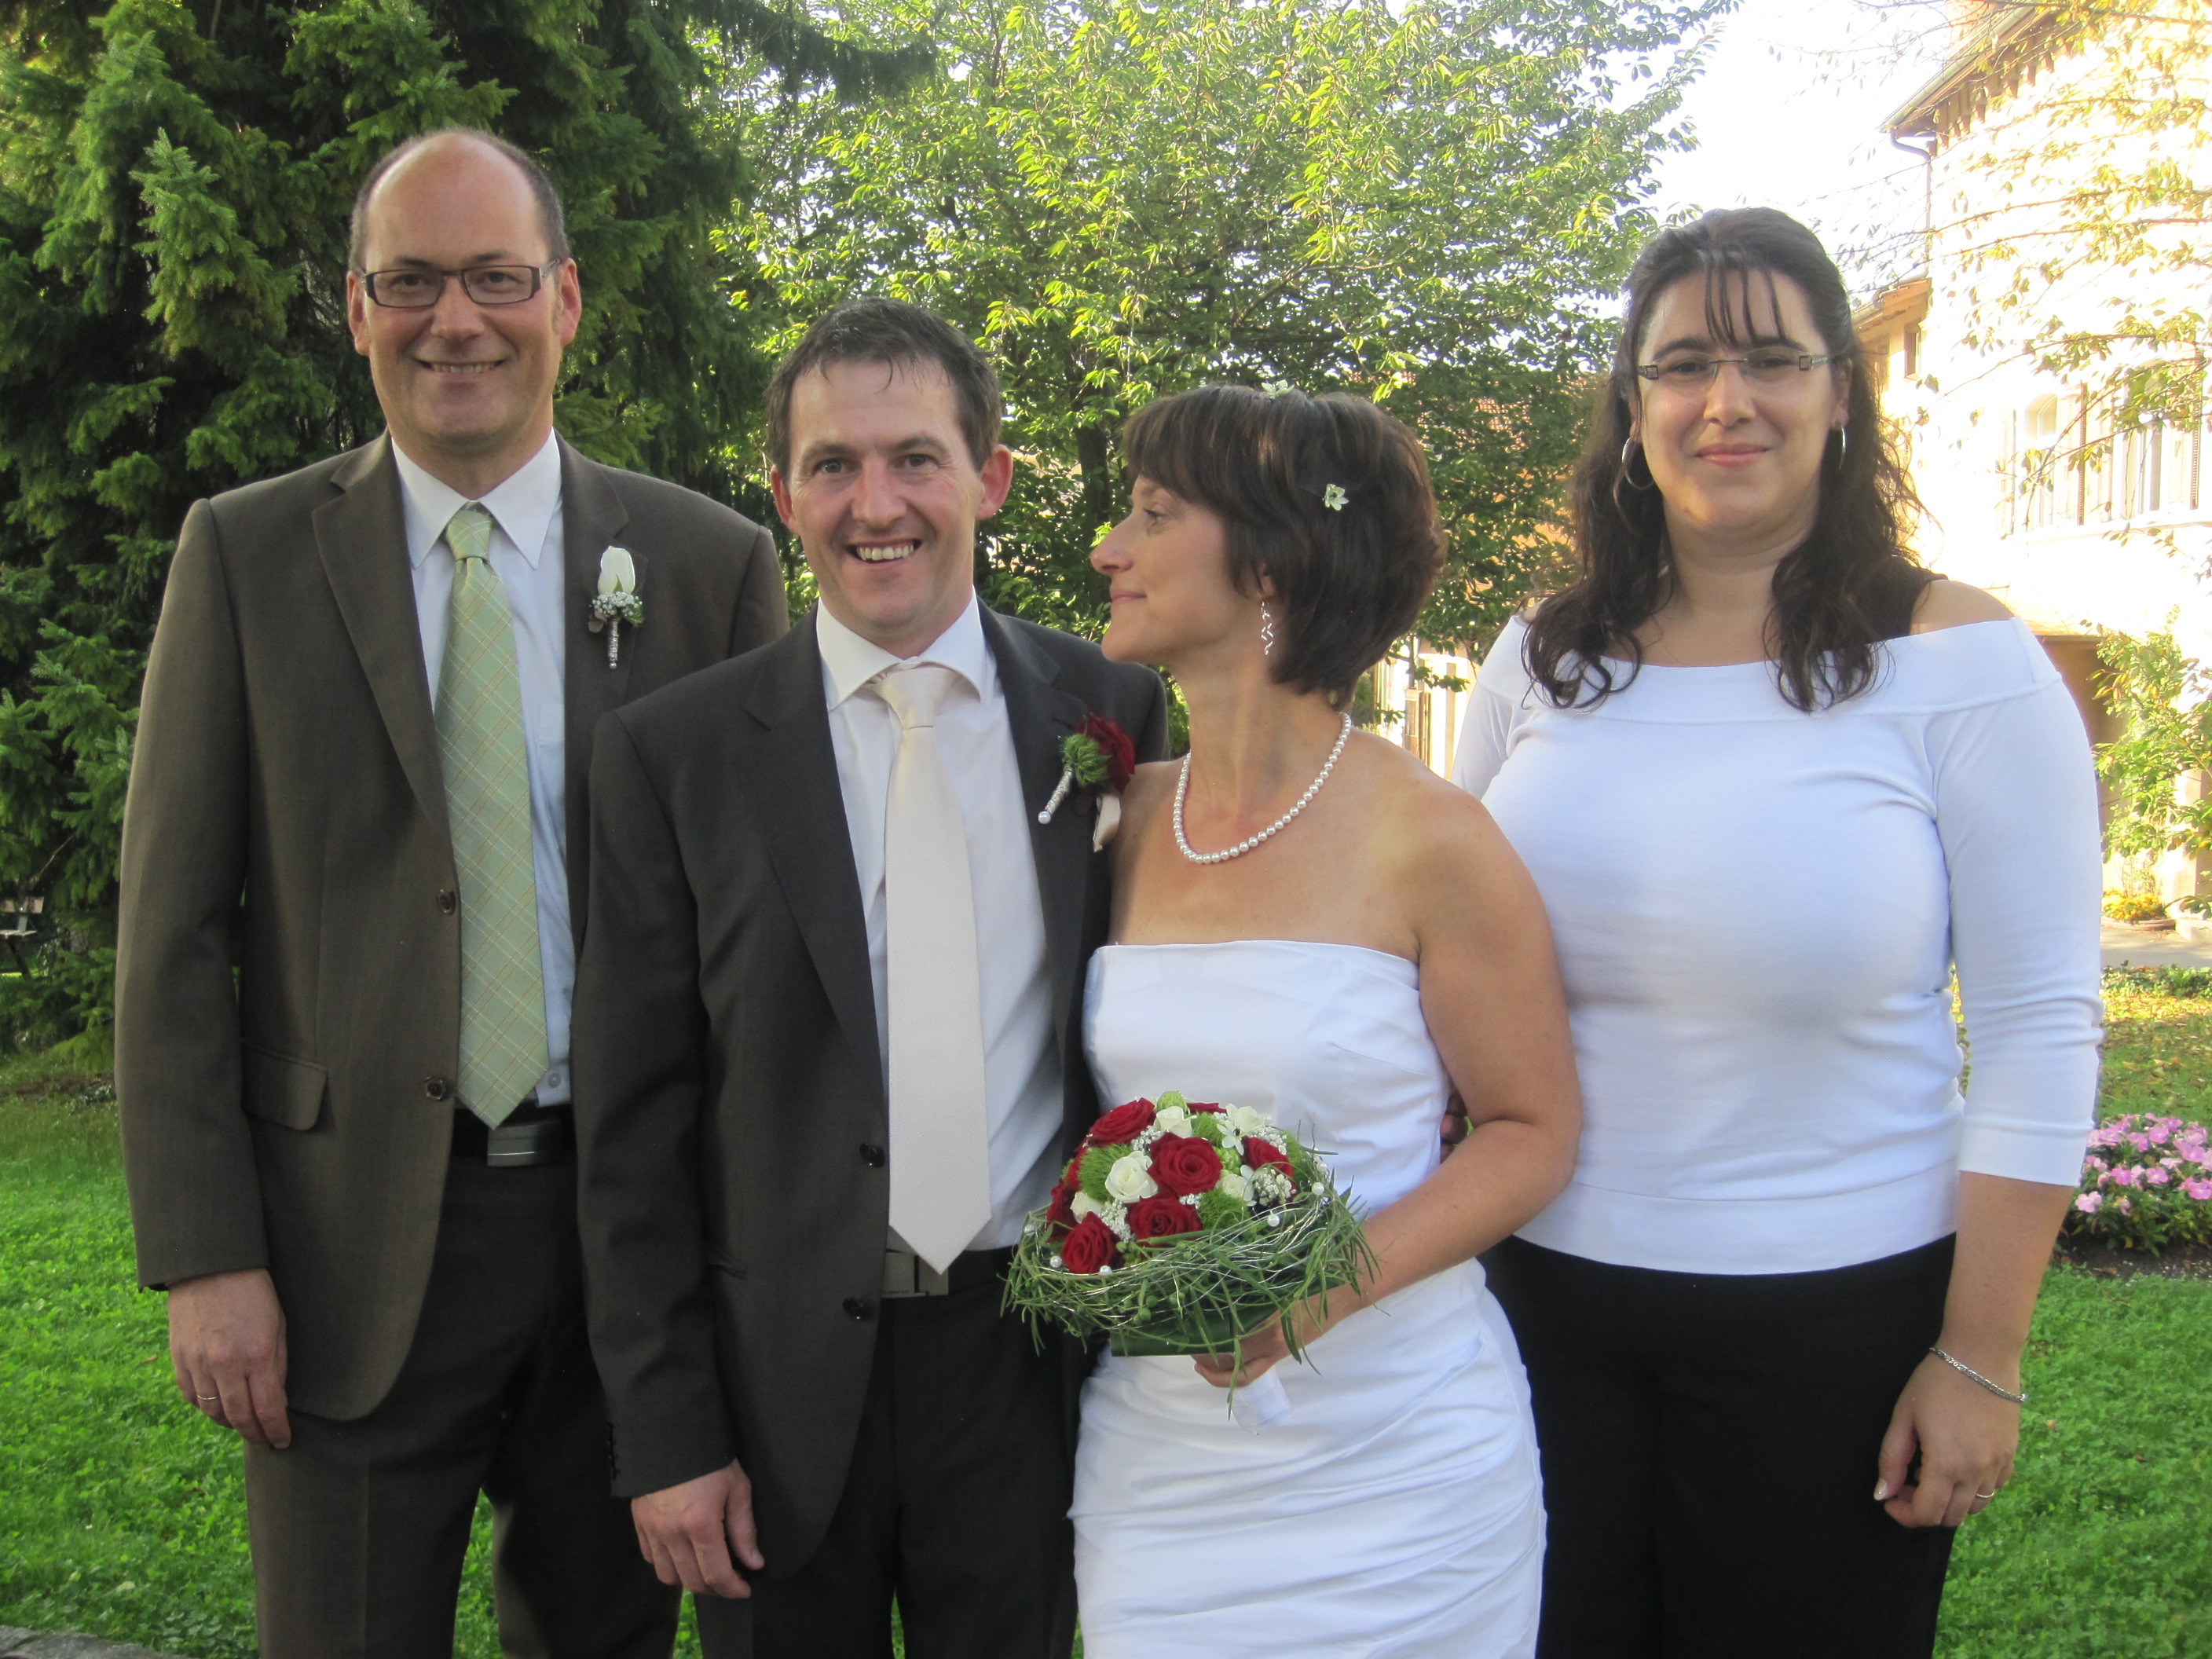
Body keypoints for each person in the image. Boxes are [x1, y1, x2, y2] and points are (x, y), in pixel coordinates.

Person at [114, 127, 788, 1657]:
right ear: (358, 310)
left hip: (633, 1248)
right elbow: (171, 940)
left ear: (566, 299)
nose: (455, 321)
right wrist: (207, 1255)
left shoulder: (706, 566)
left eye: (495, 278)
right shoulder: (245, 558)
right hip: (342, 1251)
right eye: (411, 282)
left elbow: (765, 943)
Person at [1452, 207, 2102, 1657]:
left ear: (1840, 394)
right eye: (1684, 364)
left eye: (1771, 360)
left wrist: (1980, 1355)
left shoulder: (1959, 660)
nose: (1726, 401)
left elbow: (2042, 1024)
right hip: (1535, 1305)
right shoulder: (1541, 657)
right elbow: (1434, 939)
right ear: (1634, 407)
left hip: (1838, 1326)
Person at [570, 297, 1169, 1658]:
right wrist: (668, 1433)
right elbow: (631, 1132)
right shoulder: (675, 755)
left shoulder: (1109, 715)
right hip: (772, 1378)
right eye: (832, 465)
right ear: (784, 496)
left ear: (989, 478)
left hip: (1025, 1355)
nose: (875, 503)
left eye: (915, 459)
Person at [1071, 383, 1581, 1658]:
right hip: (1160, 1463)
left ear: (1272, 564)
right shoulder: (1121, 820)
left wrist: (1315, 1294)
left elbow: (1530, 1132)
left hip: (1396, 1466)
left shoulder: (1434, 840)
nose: (1108, 549)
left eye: (1153, 515)